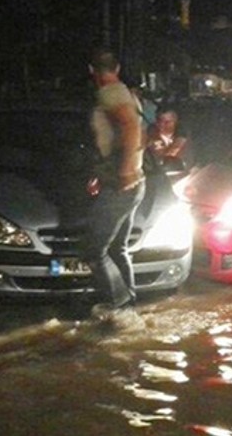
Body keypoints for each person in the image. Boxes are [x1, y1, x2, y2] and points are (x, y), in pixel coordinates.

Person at [83, 48, 146, 312]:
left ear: (91, 71)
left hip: (122, 186)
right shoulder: (127, 93)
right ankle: (128, 304)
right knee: (118, 248)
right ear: (117, 68)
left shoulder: (110, 93)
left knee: (93, 250)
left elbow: (131, 127)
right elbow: (138, 133)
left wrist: (123, 172)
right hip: (134, 183)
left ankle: (118, 307)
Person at [146, 107, 191, 173]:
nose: (162, 125)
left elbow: (176, 148)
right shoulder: (152, 134)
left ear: (175, 121)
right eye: (159, 121)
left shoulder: (183, 134)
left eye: (167, 122)